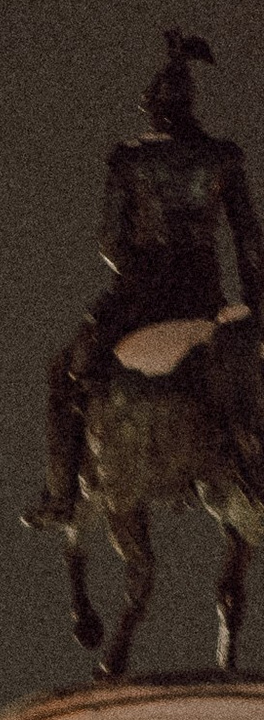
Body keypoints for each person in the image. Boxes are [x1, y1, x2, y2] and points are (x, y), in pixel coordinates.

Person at [30, 28, 264, 529]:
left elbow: (111, 241)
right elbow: (248, 239)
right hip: (204, 296)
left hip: (140, 298)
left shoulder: (130, 158)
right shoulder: (223, 157)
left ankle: (61, 494)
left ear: (155, 109)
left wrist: (136, 270)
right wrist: (255, 305)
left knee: (65, 371)